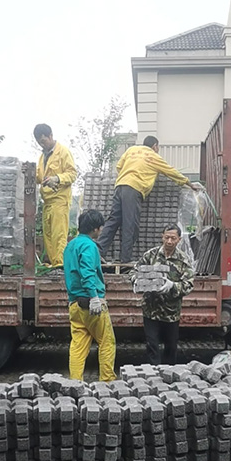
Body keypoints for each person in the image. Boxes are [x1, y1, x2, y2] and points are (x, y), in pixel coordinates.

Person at [97, 136, 198, 263]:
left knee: (113, 220)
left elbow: (119, 166)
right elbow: (171, 172)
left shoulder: (131, 150)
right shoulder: (153, 156)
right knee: (130, 225)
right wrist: (189, 183)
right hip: (134, 188)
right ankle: (125, 260)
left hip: (120, 186)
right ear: (155, 146)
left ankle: (99, 252)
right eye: (158, 147)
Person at [63, 209, 116, 382]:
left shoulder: (70, 245)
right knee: (106, 342)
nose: (101, 230)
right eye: (101, 227)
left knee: (78, 346)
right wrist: (94, 297)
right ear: (95, 228)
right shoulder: (90, 246)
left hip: (74, 303)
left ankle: (75, 382)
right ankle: (107, 381)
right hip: (91, 303)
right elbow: (87, 273)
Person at [132, 224, 194, 365]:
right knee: (152, 345)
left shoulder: (183, 260)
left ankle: (169, 373)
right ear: (162, 237)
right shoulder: (151, 255)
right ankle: (153, 372)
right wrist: (137, 280)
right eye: (167, 237)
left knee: (171, 347)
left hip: (171, 313)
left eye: (173, 238)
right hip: (150, 310)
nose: (169, 241)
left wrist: (172, 286)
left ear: (179, 239)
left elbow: (188, 284)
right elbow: (134, 271)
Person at [34, 123, 77, 267]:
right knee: (48, 236)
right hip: (47, 201)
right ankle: (54, 264)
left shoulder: (63, 152)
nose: (42, 144)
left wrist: (57, 178)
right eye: (39, 142)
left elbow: (72, 174)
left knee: (59, 235)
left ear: (51, 136)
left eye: (43, 141)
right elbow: (39, 176)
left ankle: (60, 265)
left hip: (60, 200)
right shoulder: (42, 157)